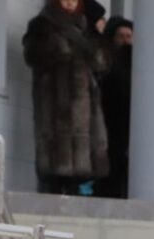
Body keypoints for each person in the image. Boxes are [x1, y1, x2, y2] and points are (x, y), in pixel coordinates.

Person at [23, 0, 110, 196]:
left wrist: (89, 43)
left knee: (80, 164)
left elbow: (102, 62)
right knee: (54, 162)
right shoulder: (41, 24)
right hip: (54, 101)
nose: (70, 3)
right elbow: (32, 55)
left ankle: (74, 188)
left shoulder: (86, 26)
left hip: (83, 104)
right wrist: (59, 48)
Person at [96, 17, 133, 199]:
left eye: (129, 36)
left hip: (128, 124)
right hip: (109, 121)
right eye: (121, 36)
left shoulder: (136, 64)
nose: (126, 41)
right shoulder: (107, 62)